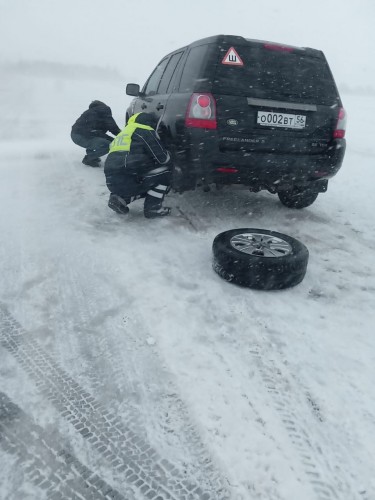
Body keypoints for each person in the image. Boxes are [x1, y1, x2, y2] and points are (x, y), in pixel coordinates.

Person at [104, 112, 172, 218]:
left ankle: (121, 199)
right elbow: (163, 159)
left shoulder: (124, 133)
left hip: (112, 181)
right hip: (128, 177)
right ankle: (153, 209)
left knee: (143, 182)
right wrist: (170, 153)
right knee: (166, 173)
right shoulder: (144, 130)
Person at [71, 100, 121, 167]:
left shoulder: (93, 112)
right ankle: (89, 159)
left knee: (96, 140)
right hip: (82, 136)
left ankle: (92, 157)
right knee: (110, 145)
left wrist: (111, 138)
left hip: (75, 135)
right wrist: (122, 136)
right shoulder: (103, 111)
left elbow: (96, 132)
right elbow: (113, 128)